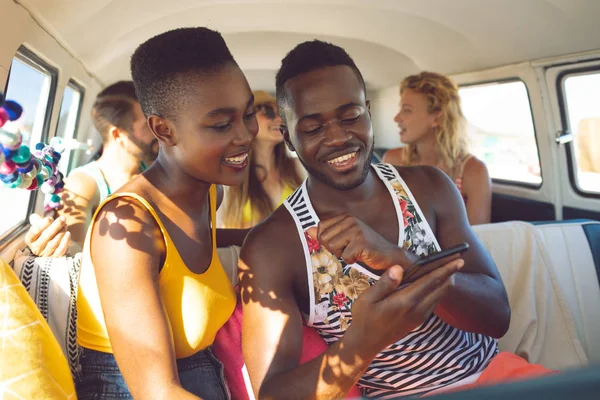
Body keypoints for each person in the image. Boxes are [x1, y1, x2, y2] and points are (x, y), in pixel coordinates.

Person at [240, 40, 551, 399]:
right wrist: (361, 343)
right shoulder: (274, 245)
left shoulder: (430, 187)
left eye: (350, 116)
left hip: (497, 377)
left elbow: (497, 317)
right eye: (313, 128)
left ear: (368, 113)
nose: (339, 138)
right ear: (288, 138)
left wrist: (406, 262)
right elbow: (272, 393)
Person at [75, 27, 258, 399]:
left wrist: (278, 235)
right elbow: (156, 391)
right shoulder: (127, 226)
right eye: (222, 125)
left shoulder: (210, 190)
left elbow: (184, 248)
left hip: (204, 367)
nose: (244, 135)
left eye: (249, 114)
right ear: (163, 130)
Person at [24, 81, 159, 257]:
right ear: (118, 135)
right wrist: (58, 246)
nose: (157, 131)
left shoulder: (151, 167)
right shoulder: (82, 184)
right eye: (147, 125)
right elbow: (75, 246)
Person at [383, 72, 491, 225]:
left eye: (406, 110)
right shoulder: (393, 161)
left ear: (436, 118)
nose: (396, 118)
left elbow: (479, 239)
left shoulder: (473, 172)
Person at [220, 90, 304, 228]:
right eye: (268, 112)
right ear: (247, 120)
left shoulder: (298, 167)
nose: (279, 120)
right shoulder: (229, 177)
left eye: (281, 114)